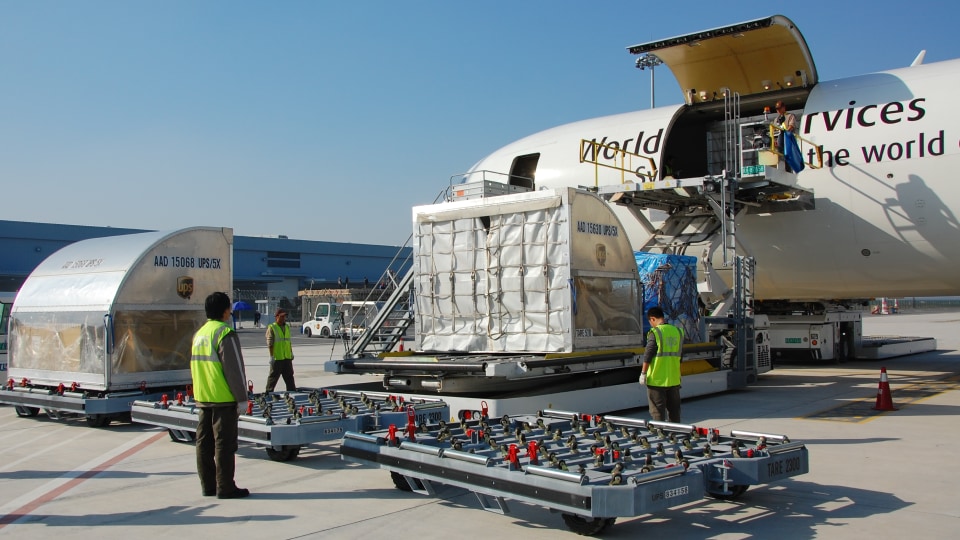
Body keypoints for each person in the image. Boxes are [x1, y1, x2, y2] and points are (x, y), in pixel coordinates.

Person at [190, 292, 250, 499]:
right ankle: (225, 486)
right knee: (224, 444)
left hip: (203, 396)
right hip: (223, 398)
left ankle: (208, 485)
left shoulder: (200, 334)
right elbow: (235, 369)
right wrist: (242, 398)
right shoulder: (225, 333)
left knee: (203, 443)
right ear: (226, 311)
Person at [639, 306, 684, 422]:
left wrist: (643, 373)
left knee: (657, 411)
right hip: (674, 379)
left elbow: (648, 354)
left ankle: (661, 434)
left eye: (650, 322)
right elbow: (680, 357)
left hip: (657, 380)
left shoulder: (656, 332)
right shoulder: (677, 332)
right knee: (674, 411)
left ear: (653, 319)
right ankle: (675, 433)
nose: (651, 324)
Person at [265, 307, 296, 392]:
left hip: (287, 358)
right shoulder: (272, 327)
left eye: (284, 316)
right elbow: (270, 343)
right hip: (277, 358)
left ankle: (292, 393)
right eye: (281, 316)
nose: (283, 318)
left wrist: (291, 352)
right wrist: (271, 356)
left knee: (289, 377)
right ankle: (268, 393)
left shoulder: (286, 327)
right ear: (277, 316)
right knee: (273, 378)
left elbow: (288, 342)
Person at [774, 100, 798, 171]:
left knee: (788, 156)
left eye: (779, 108)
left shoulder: (790, 116)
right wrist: (774, 139)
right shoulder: (776, 119)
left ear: (784, 108)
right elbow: (774, 131)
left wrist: (785, 132)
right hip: (780, 140)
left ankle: (788, 169)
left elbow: (791, 126)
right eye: (777, 109)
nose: (778, 110)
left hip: (789, 139)